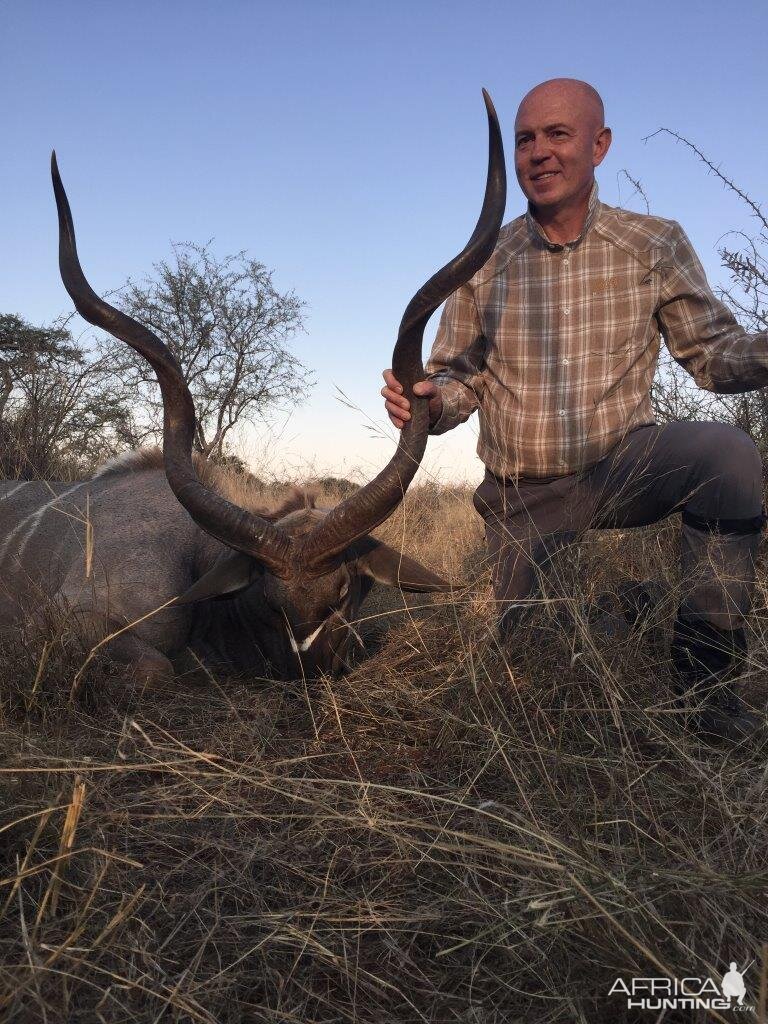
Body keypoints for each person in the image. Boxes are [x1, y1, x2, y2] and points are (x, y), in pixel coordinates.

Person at [382, 78, 767, 743]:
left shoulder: (653, 242)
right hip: (522, 495)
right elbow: (457, 381)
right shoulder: (485, 260)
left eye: (558, 134)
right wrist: (427, 402)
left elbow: (713, 357)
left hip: (623, 468)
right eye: (526, 138)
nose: (539, 153)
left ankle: (708, 692)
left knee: (728, 456)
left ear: (599, 145)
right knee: (532, 665)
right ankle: (628, 606)